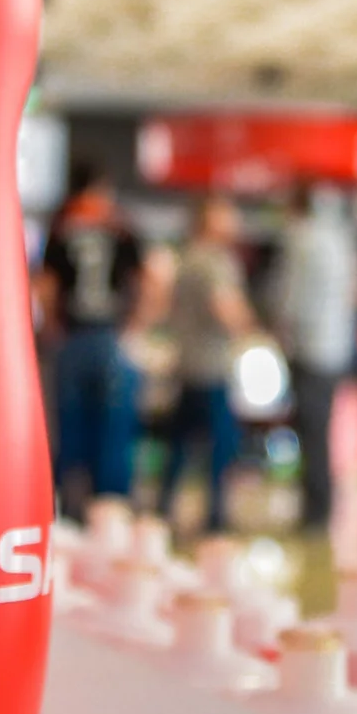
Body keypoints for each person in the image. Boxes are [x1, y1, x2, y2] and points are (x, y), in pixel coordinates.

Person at [36, 162, 144, 517]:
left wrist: (51, 326)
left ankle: (67, 511)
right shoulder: (121, 225)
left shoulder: (61, 225)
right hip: (109, 337)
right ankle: (109, 513)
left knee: (70, 428)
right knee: (113, 431)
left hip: (72, 337)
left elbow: (47, 286)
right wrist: (134, 324)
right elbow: (145, 280)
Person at [155, 195, 254, 534]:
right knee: (221, 445)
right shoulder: (216, 262)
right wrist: (248, 327)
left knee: (180, 444)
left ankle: (163, 509)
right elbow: (225, 307)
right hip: (211, 366)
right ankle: (216, 517)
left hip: (186, 362)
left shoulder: (185, 258)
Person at [272, 185, 357, 534]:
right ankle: (323, 507)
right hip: (336, 349)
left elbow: (290, 298)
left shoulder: (301, 239)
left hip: (308, 348)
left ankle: (315, 511)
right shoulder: (343, 240)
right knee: (322, 430)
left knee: (311, 432)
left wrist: (281, 334)